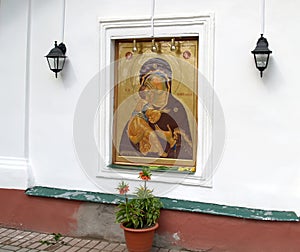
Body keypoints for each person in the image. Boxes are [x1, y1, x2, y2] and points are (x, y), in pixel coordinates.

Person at [119, 58, 193, 160]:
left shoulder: (177, 110)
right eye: (150, 91)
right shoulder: (141, 110)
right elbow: (126, 150)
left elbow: (186, 151)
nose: (155, 97)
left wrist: (168, 138)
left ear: (168, 87)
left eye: (160, 92)